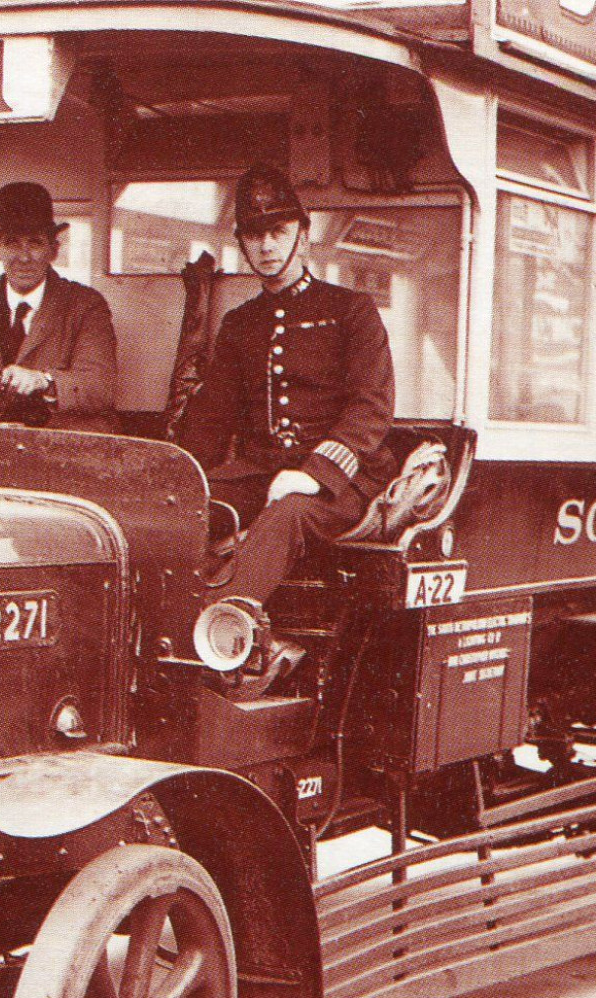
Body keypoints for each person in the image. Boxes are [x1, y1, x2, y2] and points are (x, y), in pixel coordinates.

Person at [178, 165, 396, 671]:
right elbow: (211, 420)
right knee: (187, 510)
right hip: (260, 473)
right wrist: (183, 480)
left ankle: (220, 639)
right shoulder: (240, 324)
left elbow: (372, 408)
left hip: (342, 483)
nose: (267, 246)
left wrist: (312, 473)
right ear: (242, 243)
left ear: (303, 231)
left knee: (289, 511)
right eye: (254, 235)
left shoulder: (351, 310)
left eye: (277, 231)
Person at [0, 181, 118, 433]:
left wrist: (43, 381)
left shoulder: (86, 306)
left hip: (65, 451)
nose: (24, 257)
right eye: (12, 243)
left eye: (35, 243)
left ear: (53, 250)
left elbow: (99, 388)